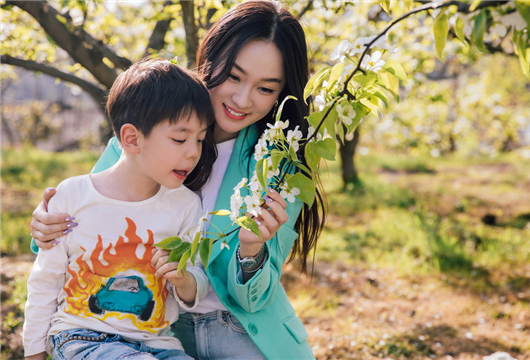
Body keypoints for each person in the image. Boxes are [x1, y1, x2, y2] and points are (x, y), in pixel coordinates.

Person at [29, 1, 326, 359]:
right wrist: (45, 223)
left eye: (266, 88)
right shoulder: (141, 135)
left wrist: (251, 251)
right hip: (160, 332)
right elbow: (86, 223)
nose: (242, 99)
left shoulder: (278, 164)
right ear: (209, 61)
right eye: (233, 76)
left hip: (244, 332)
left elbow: (254, 297)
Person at [23, 58, 217, 360]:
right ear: (131, 138)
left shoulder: (185, 205)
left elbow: (197, 282)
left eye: (200, 139)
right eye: (180, 138)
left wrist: (183, 280)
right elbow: (45, 280)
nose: (193, 151)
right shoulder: (73, 197)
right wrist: (33, 351)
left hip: (159, 345)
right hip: (82, 337)